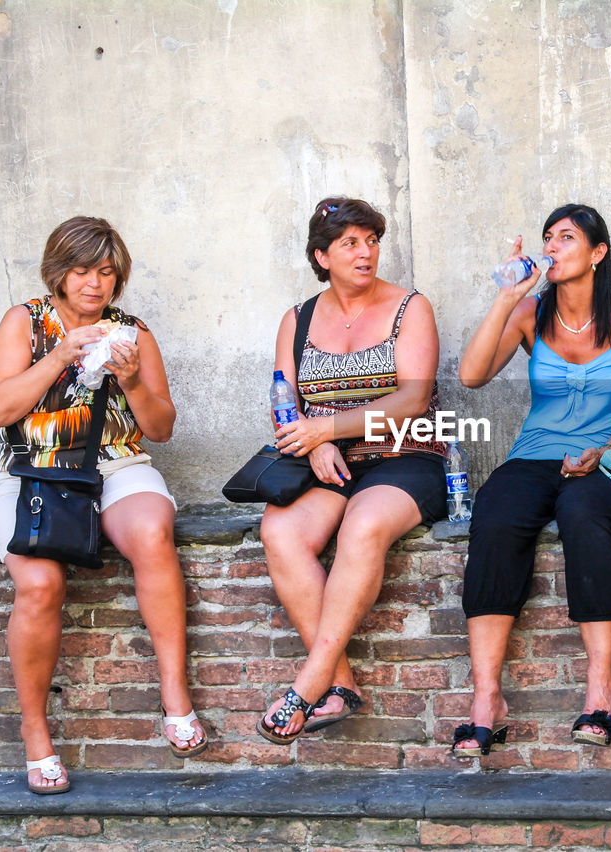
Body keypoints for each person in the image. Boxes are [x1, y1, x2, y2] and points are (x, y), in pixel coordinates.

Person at [0, 216, 206, 795]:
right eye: (82, 270)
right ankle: (37, 735)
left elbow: (160, 429)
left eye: (106, 272)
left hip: (115, 464)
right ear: (59, 272)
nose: (94, 283)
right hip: (34, 470)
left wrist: (132, 382)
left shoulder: (132, 331)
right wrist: (59, 355)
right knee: (38, 586)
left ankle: (174, 693)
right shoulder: (25, 322)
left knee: (153, 531)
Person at [451, 204, 611, 757]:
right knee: (493, 514)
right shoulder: (529, 314)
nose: (553, 247)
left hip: (604, 458)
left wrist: (600, 452)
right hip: (535, 454)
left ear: (597, 253)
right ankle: (487, 699)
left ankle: (600, 691)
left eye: (567, 238)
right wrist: (507, 296)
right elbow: (470, 376)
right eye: (548, 238)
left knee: (583, 514)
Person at [256, 197, 446, 745]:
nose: (366, 253)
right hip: (329, 461)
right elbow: (282, 397)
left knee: (362, 528)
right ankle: (340, 683)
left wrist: (328, 428)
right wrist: (310, 440)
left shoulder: (411, 307)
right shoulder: (297, 319)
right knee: (280, 531)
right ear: (322, 255)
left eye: (371, 240)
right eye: (350, 243)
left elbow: (413, 398)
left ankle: (309, 681)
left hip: (405, 457)